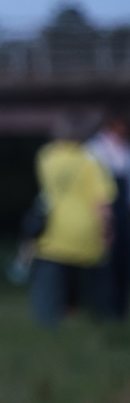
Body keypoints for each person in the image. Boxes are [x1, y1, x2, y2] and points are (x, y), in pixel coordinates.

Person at [29, 113, 115, 327]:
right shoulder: (91, 159)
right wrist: (108, 232)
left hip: (53, 232)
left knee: (50, 289)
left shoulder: (46, 156)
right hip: (87, 235)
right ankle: (89, 325)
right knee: (89, 291)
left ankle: (49, 327)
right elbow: (102, 203)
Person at [86, 109, 130, 320]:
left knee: (122, 259)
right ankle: (102, 309)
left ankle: (118, 309)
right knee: (104, 261)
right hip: (102, 209)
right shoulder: (93, 149)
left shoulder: (124, 148)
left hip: (124, 211)